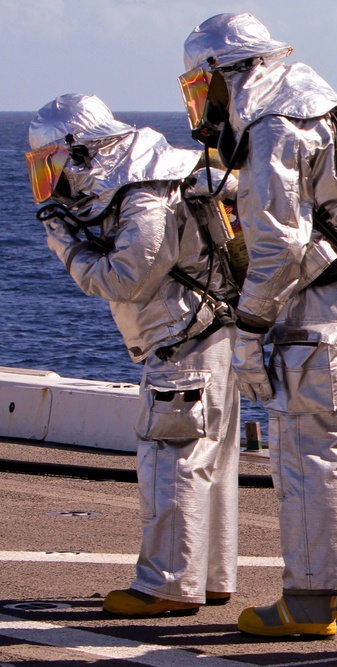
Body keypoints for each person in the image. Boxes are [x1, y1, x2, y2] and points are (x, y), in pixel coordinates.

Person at [180, 13, 337, 637]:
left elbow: (276, 249)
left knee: (306, 453)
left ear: (223, 72)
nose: (203, 102)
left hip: (312, 314)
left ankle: (308, 600)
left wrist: (247, 329)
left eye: (200, 84)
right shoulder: (319, 104)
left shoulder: (271, 125)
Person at [25, 93, 241, 617]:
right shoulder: (151, 172)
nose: (55, 180)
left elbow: (126, 279)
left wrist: (66, 242)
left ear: (80, 151)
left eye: (54, 164)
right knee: (207, 461)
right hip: (209, 335)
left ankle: (165, 585)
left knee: (171, 461)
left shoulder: (145, 191)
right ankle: (207, 577)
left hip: (183, 339)